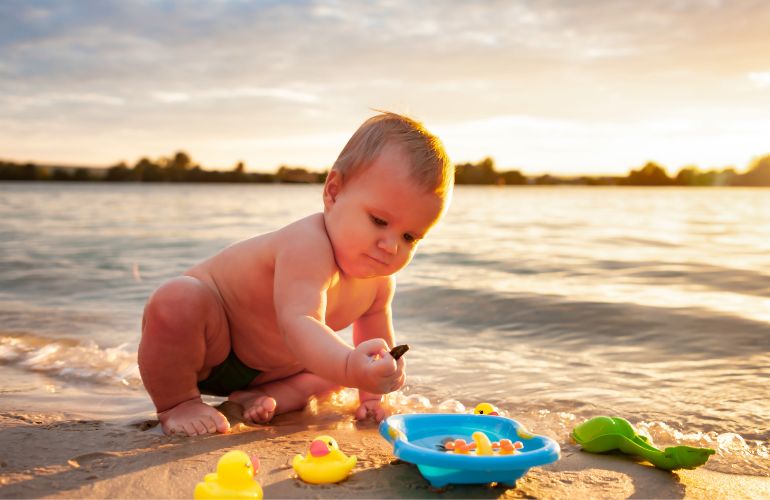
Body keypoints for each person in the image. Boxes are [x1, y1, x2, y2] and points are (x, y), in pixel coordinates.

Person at [138, 112, 454, 436]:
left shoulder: (379, 283)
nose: (390, 246)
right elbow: (299, 322)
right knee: (177, 299)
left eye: (409, 237)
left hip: (271, 372)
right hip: (211, 345)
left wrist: (373, 386)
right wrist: (349, 365)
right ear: (333, 192)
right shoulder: (308, 243)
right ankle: (177, 403)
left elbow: (376, 345)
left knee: (337, 371)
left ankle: (263, 398)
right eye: (379, 221)